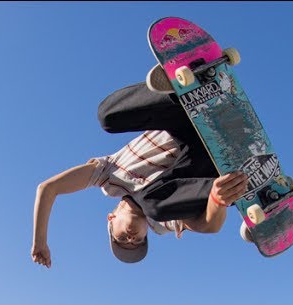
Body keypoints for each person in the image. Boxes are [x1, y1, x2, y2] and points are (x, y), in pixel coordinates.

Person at [31, 81, 251, 268]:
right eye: (137, 242)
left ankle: (179, 88)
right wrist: (217, 200)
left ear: (111, 218)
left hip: (187, 120)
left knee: (107, 116)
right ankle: (249, 186)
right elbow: (210, 226)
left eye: (122, 239)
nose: (131, 239)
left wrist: (40, 241)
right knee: (154, 207)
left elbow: (48, 188)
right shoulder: (163, 220)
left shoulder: (108, 175)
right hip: (216, 161)